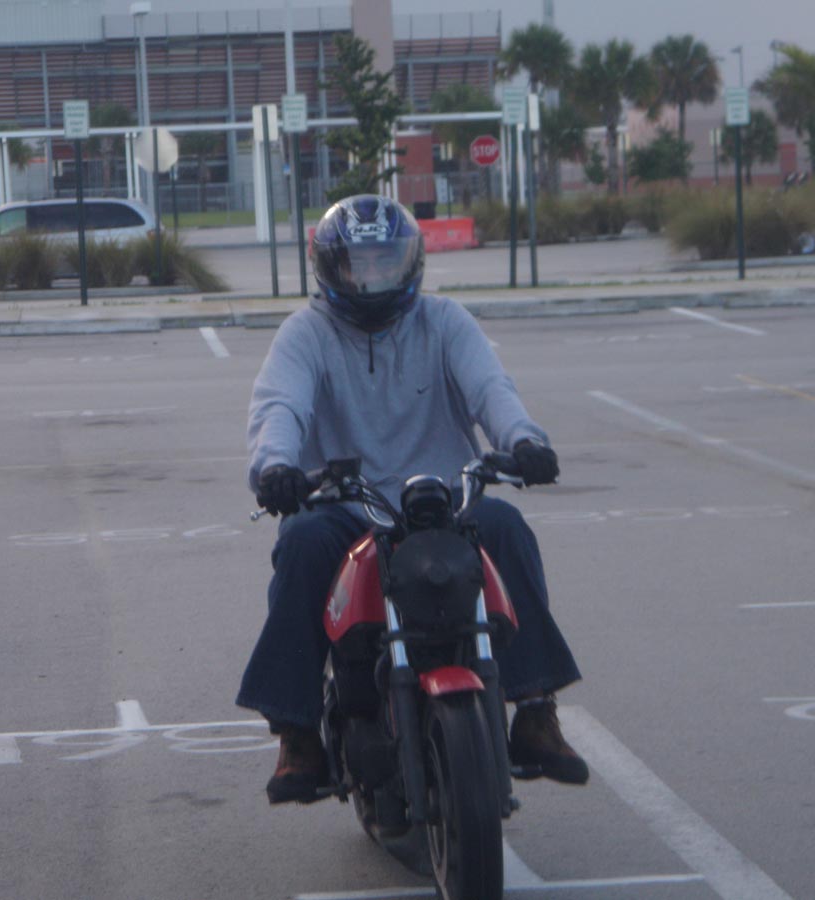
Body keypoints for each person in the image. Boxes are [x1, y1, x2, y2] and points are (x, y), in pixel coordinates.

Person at [237, 194, 588, 804]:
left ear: (411, 262)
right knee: (300, 542)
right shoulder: (306, 333)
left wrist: (524, 441)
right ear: (329, 267)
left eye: (385, 261)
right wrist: (276, 467)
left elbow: (491, 390)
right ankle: (297, 732)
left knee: (506, 526)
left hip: (445, 501)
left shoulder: (445, 321)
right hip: (345, 505)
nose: (372, 276)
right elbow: (280, 408)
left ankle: (535, 710)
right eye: (358, 263)